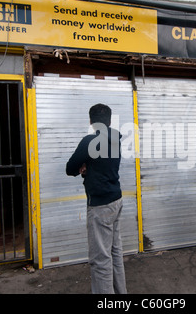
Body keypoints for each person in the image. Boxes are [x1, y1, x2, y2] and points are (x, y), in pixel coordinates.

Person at [66, 103, 127, 294]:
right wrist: (88, 168)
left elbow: (69, 168)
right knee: (115, 252)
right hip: (116, 200)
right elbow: (103, 166)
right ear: (109, 121)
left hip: (100, 206)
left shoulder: (89, 142)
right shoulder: (116, 139)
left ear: (91, 121)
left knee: (100, 259)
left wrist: (83, 167)